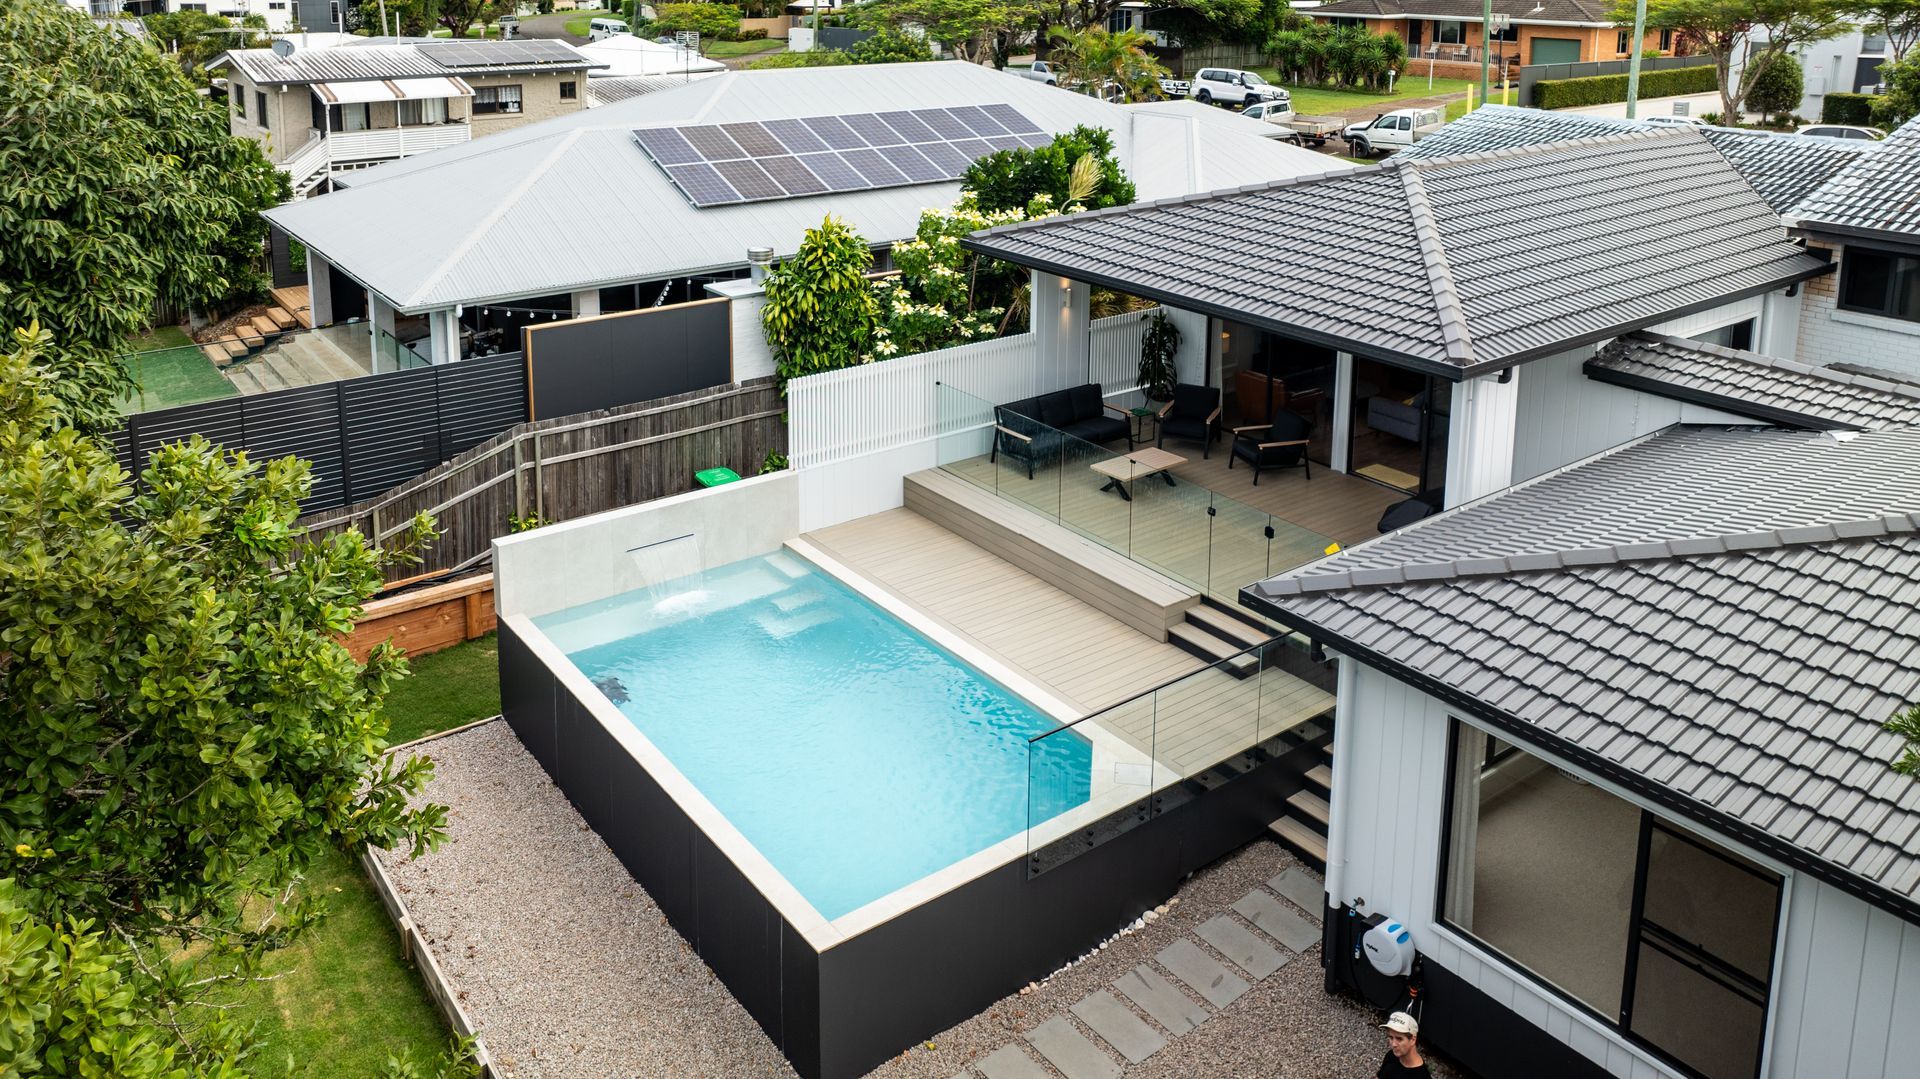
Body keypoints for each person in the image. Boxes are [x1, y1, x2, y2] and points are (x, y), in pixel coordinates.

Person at [1377, 1011, 1432, 1078]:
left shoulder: (1421, 1076)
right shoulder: (1391, 1055)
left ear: (1413, 1040)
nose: (1393, 1044)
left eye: (1399, 1039)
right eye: (1391, 1037)